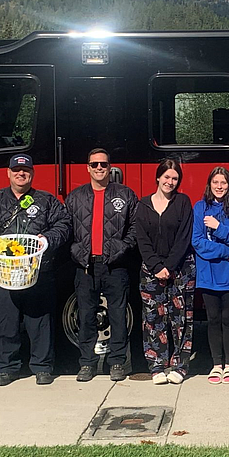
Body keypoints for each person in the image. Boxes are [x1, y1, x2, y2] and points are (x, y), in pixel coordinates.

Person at [0, 153, 71, 387]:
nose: (21, 174)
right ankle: (6, 368)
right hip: (5, 276)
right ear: (8, 173)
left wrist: (47, 238)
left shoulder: (46, 201)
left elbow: (64, 224)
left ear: (32, 174)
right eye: (17, 170)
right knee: (4, 323)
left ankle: (42, 367)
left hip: (38, 273)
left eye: (26, 170)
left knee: (40, 322)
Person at [65, 148, 138, 383]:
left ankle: (117, 361)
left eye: (103, 165)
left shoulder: (125, 195)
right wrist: (76, 251)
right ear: (87, 167)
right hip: (85, 267)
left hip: (115, 266)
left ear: (110, 167)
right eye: (94, 164)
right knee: (86, 316)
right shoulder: (75, 197)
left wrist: (121, 248)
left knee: (118, 315)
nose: (99, 168)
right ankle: (87, 364)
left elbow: (136, 227)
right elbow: (65, 230)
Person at [133, 159, 195, 384]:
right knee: (153, 318)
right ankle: (157, 365)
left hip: (181, 269)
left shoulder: (183, 202)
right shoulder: (143, 205)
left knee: (181, 319)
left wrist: (169, 266)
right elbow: (142, 239)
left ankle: (180, 366)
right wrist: (156, 267)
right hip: (151, 271)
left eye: (175, 178)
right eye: (166, 177)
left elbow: (184, 237)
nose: (170, 182)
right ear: (158, 177)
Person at [192, 166, 229, 384]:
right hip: (209, 273)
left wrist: (218, 227)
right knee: (212, 319)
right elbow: (197, 241)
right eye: (215, 182)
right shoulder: (199, 207)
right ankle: (216, 364)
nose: (219, 187)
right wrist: (225, 251)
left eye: (223, 183)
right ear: (209, 184)